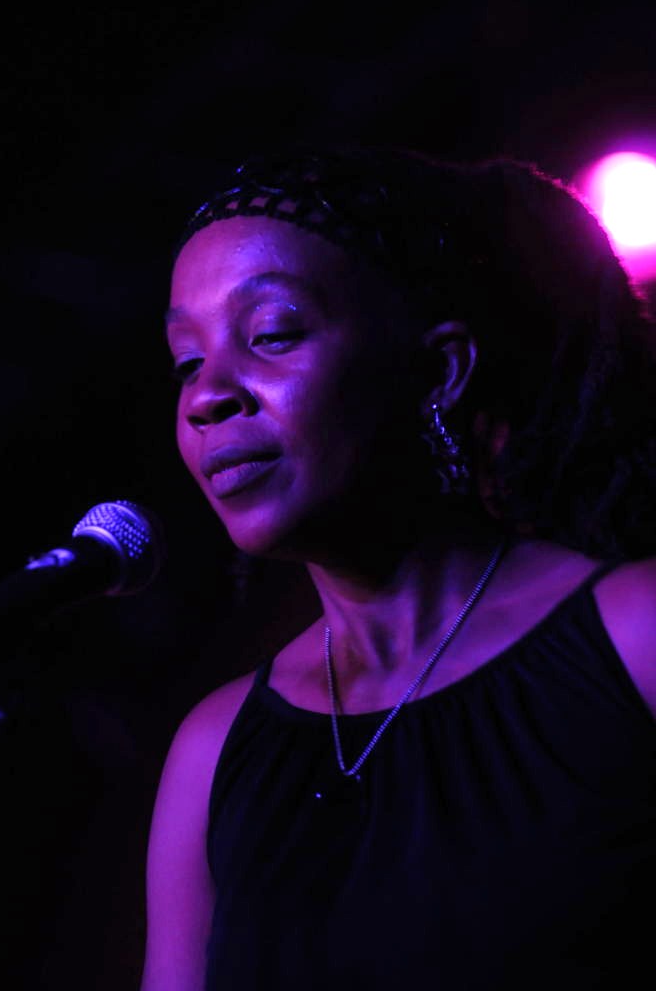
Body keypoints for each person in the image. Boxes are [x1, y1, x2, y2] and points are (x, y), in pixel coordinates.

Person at [139, 147, 656, 991]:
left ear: (438, 371)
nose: (206, 397)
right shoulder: (212, 751)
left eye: (270, 334)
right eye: (186, 363)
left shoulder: (635, 635)